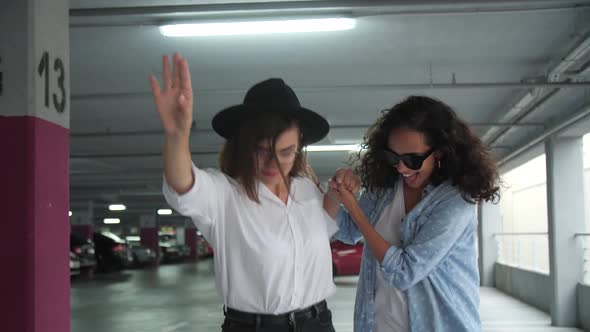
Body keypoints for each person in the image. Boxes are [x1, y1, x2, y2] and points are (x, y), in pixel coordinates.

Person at [150, 53, 338, 332]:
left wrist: (336, 194)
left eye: (285, 152)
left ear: (299, 144)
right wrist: (177, 135)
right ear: (243, 145)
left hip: (318, 323)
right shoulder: (224, 196)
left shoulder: (307, 190)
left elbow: (321, 228)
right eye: (261, 151)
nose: (273, 163)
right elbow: (182, 184)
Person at [323, 96, 500, 332]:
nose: (401, 168)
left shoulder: (455, 201)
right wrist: (337, 191)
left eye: (412, 159)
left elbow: (405, 271)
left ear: (439, 152)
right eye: (393, 157)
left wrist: (355, 209)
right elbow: (346, 231)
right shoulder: (384, 189)